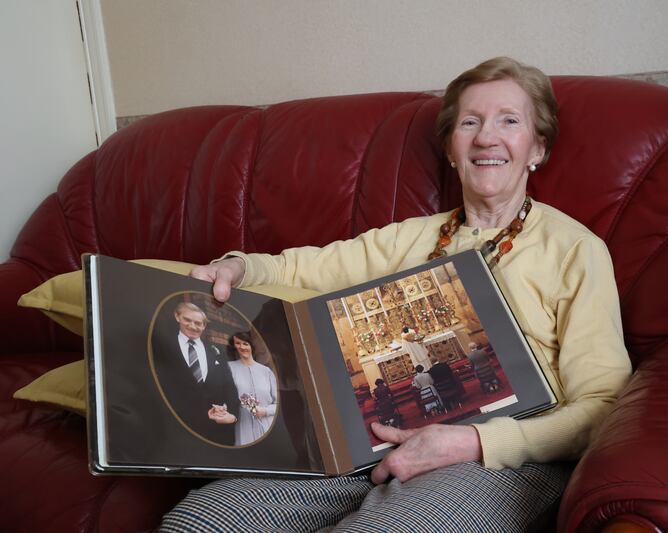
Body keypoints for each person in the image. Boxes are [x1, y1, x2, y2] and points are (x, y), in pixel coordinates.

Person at [162, 56, 631, 532]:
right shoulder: (412, 237)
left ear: (537, 147)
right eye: (470, 122)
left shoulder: (576, 250)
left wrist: (473, 442)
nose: (487, 137)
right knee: (199, 521)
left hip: (500, 460)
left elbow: (603, 405)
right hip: (370, 439)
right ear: (451, 148)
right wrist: (238, 266)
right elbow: (306, 266)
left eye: (509, 121)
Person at [151, 302, 240, 446]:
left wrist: (233, 415)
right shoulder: (163, 346)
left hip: (216, 432)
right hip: (176, 430)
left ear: (204, 326)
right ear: (177, 317)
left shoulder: (216, 350)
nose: (193, 326)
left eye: (198, 323)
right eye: (187, 320)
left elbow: (229, 386)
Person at [226, 331, 278, 446]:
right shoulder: (229, 368)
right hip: (243, 427)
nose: (242, 347)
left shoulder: (266, 372)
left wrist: (265, 411)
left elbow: (278, 404)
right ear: (234, 347)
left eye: (245, 343)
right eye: (238, 343)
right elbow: (224, 396)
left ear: (251, 346)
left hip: (267, 427)